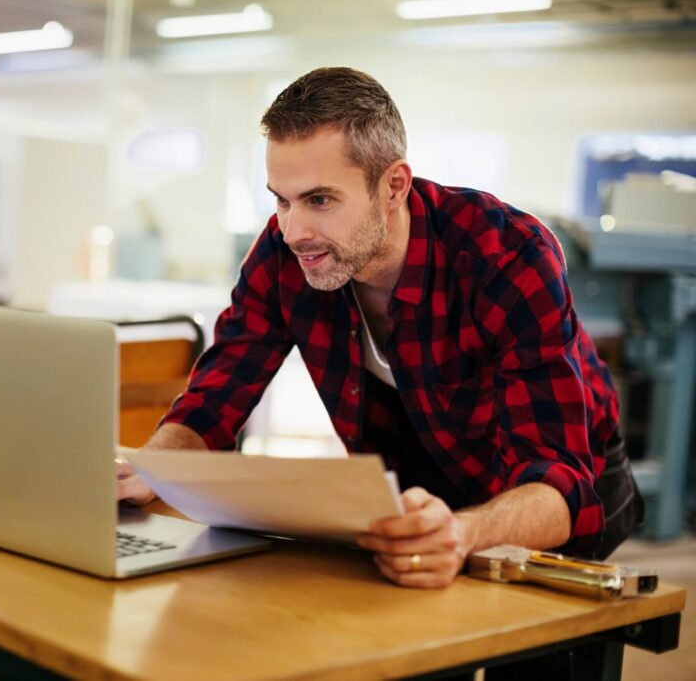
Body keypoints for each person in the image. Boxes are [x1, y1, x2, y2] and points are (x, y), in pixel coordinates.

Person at [116, 67, 643, 591]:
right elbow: (214, 399)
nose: (294, 230)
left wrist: (463, 533)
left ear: (393, 186)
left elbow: (557, 478)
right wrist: (151, 464)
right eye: (281, 199)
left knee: (531, 650)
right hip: (419, 480)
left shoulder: (506, 256)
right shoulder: (283, 254)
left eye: (320, 200)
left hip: (551, 489)